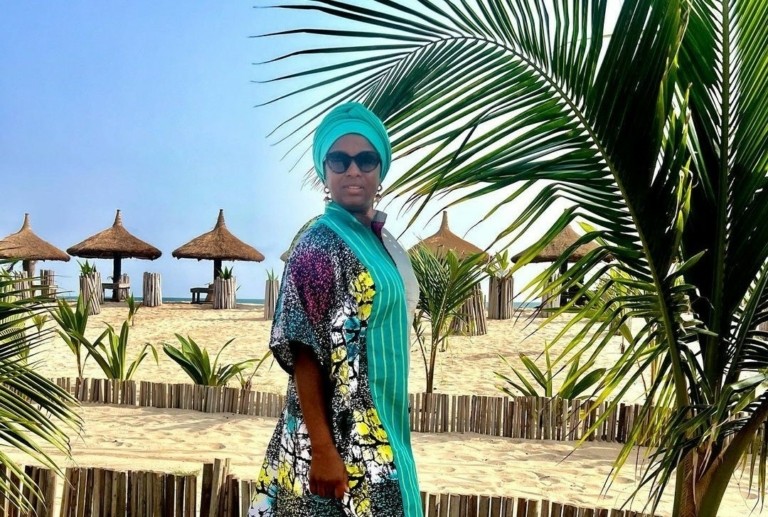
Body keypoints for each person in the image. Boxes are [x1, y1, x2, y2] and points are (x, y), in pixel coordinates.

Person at [250, 102, 422, 517]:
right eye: (339, 160)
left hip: (384, 424)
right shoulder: (318, 244)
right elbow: (303, 352)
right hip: (340, 434)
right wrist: (324, 450)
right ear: (324, 172)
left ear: (381, 169)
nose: (353, 170)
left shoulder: (380, 243)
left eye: (366, 160)